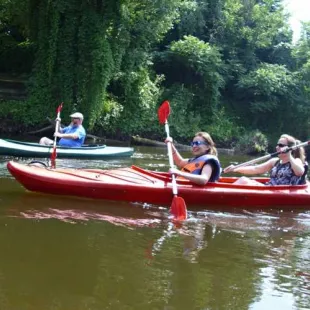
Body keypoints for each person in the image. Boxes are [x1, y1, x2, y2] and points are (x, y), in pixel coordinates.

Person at [224, 134, 308, 186]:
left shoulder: (296, 161)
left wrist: (289, 154)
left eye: (281, 145)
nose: (277, 147)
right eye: (277, 144)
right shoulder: (275, 161)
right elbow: (255, 169)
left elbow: (299, 172)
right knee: (243, 179)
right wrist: (235, 169)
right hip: (270, 189)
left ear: (290, 148)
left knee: (243, 180)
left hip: (282, 193)